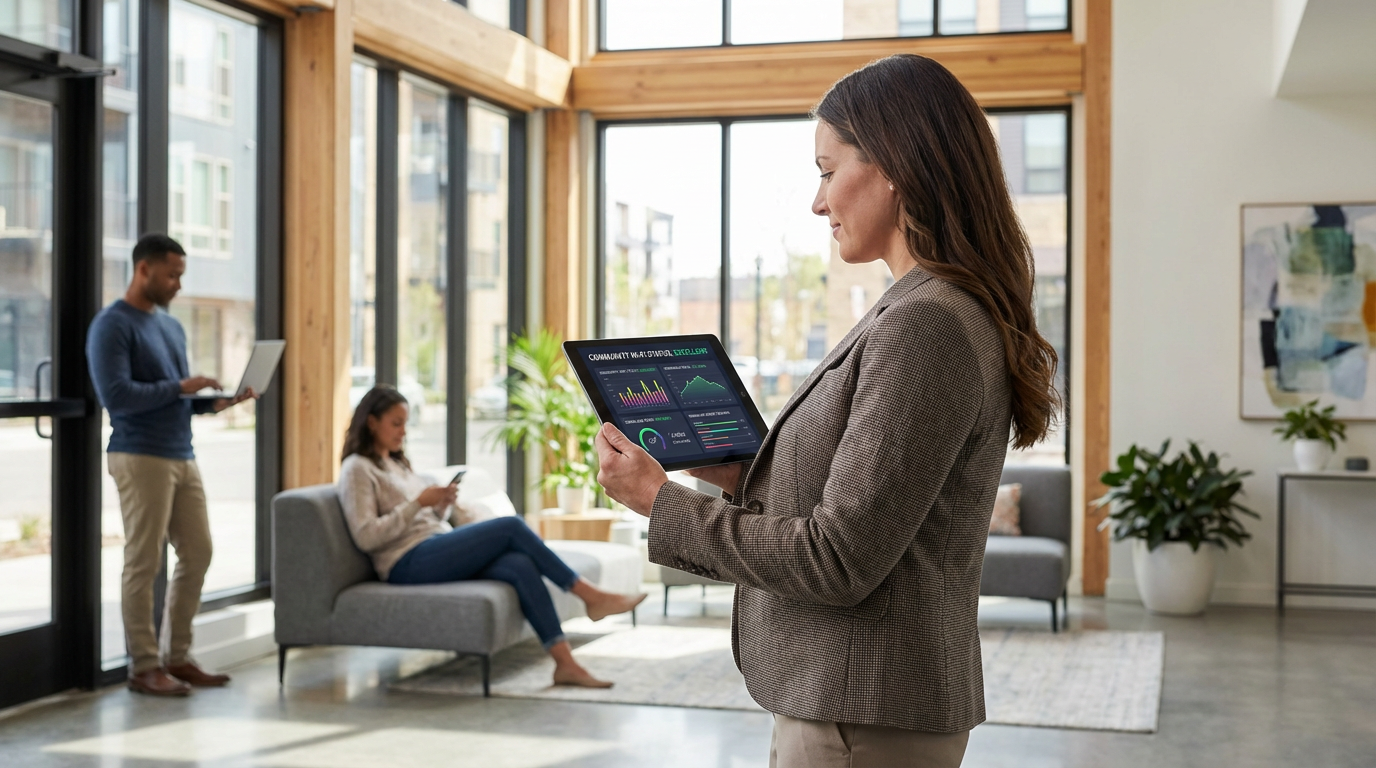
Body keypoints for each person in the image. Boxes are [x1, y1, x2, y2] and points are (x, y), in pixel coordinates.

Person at [595, 54, 1061, 768]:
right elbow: (864, 505)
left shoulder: (925, 322)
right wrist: (736, 472)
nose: (817, 202)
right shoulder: (922, 308)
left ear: (896, 165)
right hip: (863, 711)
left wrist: (661, 502)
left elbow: (840, 558)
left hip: (860, 717)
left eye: (826, 169)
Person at [338, 386, 647, 688]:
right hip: (404, 563)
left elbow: (425, 521)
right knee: (510, 527)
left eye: (406, 423)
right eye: (396, 423)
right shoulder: (357, 469)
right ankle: (589, 595)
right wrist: (418, 502)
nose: (403, 431)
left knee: (518, 565)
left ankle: (565, 664)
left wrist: (440, 505)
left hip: (431, 546)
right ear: (371, 422)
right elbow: (367, 536)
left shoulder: (398, 464)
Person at [87, 233, 258, 697]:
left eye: (181, 275)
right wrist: (182, 388)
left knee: (198, 551)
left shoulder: (171, 328)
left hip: (182, 453)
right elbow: (117, 396)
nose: (178, 284)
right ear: (144, 269)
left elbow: (180, 398)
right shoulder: (111, 326)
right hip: (139, 455)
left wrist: (219, 402)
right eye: (172, 274)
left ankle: (177, 657)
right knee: (143, 561)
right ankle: (144, 666)